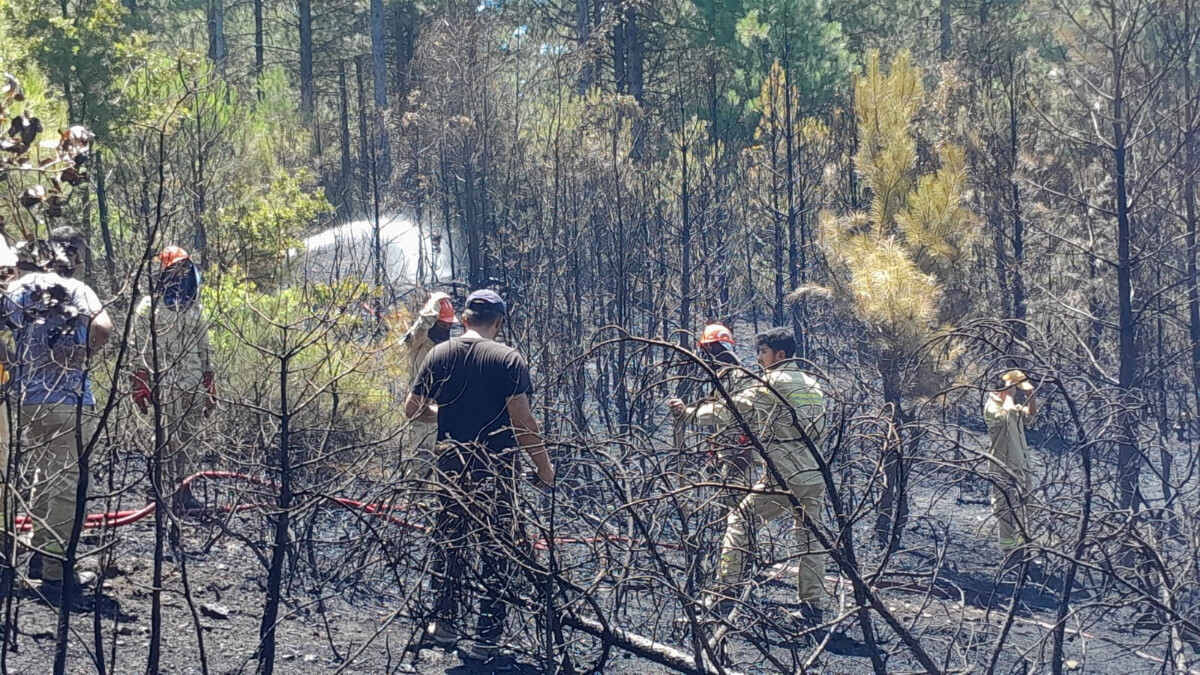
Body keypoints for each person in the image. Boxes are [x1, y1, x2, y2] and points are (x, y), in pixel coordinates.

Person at [404, 289, 554, 663]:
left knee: (450, 541)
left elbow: (412, 409)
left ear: (465, 319)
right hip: (496, 471)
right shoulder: (507, 359)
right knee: (497, 548)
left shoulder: (440, 353)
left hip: (451, 467)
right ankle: (487, 636)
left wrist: (447, 415)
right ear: (499, 323)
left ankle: (446, 624)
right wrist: (543, 466)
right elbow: (522, 420)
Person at [0, 227, 112, 604]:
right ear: (74, 257)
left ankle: (35, 554)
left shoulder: (19, 288)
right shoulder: (79, 290)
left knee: (41, 475)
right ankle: (55, 573)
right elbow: (103, 326)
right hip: (69, 400)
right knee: (65, 484)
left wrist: (13, 362)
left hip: (27, 400)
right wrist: (84, 354)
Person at [698, 328, 829, 625]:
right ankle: (813, 608)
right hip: (814, 475)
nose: (758, 359)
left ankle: (723, 594)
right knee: (811, 542)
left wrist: (690, 413)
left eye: (763, 353)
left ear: (779, 355)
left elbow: (731, 410)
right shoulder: (812, 383)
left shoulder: (770, 382)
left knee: (740, 519)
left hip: (785, 476)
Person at [130, 246, 216, 511]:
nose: (181, 273)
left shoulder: (195, 308)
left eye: (185, 268)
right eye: (175, 268)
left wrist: (210, 383)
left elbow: (205, 348)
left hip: (192, 384)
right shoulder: (148, 307)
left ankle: (183, 491)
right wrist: (139, 380)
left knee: (189, 439)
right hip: (162, 384)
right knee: (163, 438)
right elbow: (138, 346)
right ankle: (157, 491)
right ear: (164, 272)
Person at [667, 323, 754, 510]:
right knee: (728, 506)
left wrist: (687, 414)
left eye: (709, 349)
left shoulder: (738, 378)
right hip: (728, 450)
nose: (706, 356)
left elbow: (725, 412)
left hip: (739, 452)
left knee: (736, 509)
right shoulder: (724, 377)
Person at [398, 291, 456, 482]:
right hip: (420, 412)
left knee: (445, 466)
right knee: (421, 464)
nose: (445, 329)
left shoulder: (449, 350)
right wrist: (434, 303)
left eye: (448, 326)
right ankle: (417, 501)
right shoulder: (419, 343)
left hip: (443, 415)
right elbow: (420, 328)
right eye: (442, 325)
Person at [983, 369, 1037, 555]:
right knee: (1005, 508)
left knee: (1026, 506)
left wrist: (1030, 394)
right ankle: (1008, 551)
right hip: (1002, 466)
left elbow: (1029, 417)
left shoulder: (1011, 405)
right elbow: (1004, 418)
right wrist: (1008, 395)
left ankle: (1023, 546)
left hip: (1021, 464)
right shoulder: (992, 407)